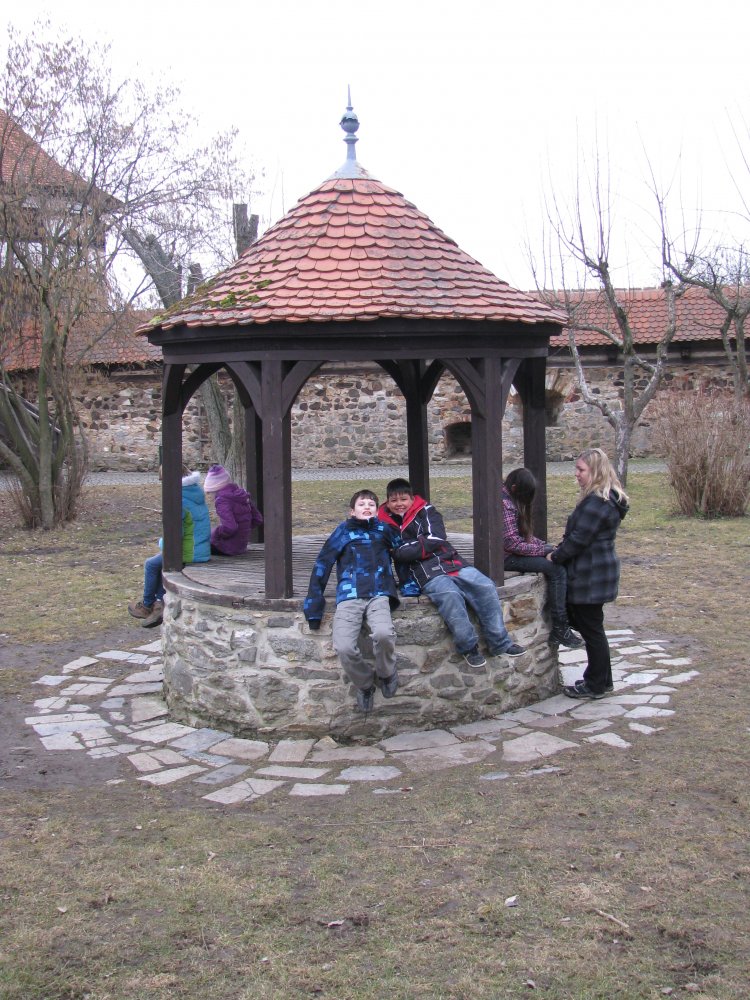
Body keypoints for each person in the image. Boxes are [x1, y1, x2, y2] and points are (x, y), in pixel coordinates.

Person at [378, 478, 525, 668]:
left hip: (452, 562)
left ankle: (500, 643)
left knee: (485, 586)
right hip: (423, 573)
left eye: (403, 499)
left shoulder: (426, 511)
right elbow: (396, 550)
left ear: (412, 499)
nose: (399, 504)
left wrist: (408, 548)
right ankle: (468, 647)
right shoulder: (383, 523)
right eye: (394, 500)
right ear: (387, 502)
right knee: (450, 596)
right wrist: (418, 544)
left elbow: (436, 538)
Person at [303, 489, 402, 713]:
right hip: (350, 595)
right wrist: (313, 606)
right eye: (361, 504)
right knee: (344, 646)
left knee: (384, 634)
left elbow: (403, 556)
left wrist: (409, 585)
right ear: (352, 511)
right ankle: (365, 684)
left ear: (377, 510)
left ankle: (386, 673)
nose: (367, 507)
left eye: (371, 504)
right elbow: (322, 563)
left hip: (379, 593)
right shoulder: (343, 531)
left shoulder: (385, 530)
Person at [549, 448, 629, 699]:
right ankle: (603, 681)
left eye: (581, 469)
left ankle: (596, 684)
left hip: (591, 573)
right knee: (593, 628)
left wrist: (556, 556)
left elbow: (579, 539)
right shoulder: (605, 499)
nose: (577, 474)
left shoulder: (598, 502)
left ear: (595, 471)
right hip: (596, 571)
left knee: (591, 630)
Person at [502, 467, 583, 649]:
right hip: (506, 558)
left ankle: (567, 620)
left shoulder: (508, 498)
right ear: (515, 489)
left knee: (559, 559)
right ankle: (560, 627)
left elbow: (524, 538)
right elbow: (512, 544)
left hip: (512, 552)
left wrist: (547, 547)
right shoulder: (504, 505)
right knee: (556, 569)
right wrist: (542, 551)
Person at [127, 466, 211, 628]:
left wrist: (162, 544)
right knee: (162, 563)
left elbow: (175, 535)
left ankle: (147, 605)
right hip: (201, 548)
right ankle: (158, 604)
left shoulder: (178, 500)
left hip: (191, 552)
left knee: (151, 564)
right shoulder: (194, 492)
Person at [203, 464, 263, 556]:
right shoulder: (242, 495)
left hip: (227, 548)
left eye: (209, 492)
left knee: (202, 543)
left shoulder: (222, 501)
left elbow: (230, 527)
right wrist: (243, 530)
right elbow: (258, 519)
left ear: (215, 488)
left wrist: (215, 532)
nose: (209, 496)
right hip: (241, 546)